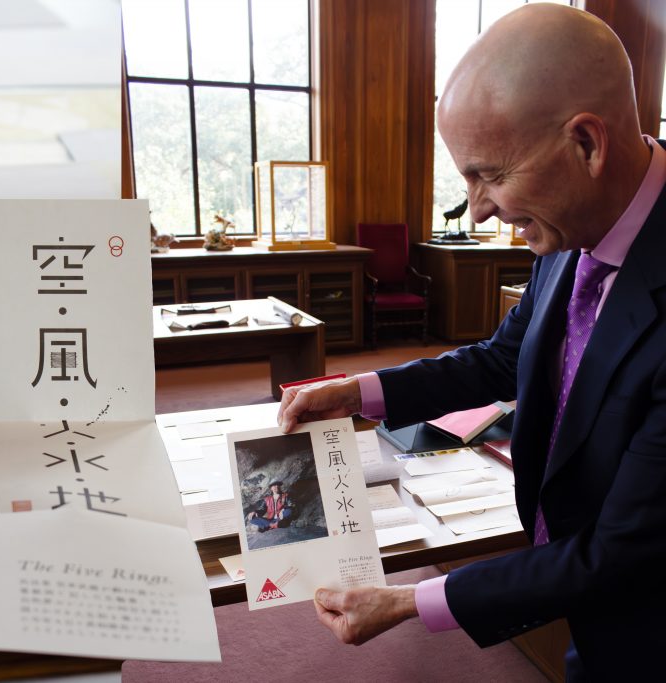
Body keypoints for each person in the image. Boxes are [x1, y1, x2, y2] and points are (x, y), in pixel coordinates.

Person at [277, 4, 666, 679]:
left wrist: (409, 601)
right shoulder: (572, 222)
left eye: (488, 174)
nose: (478, 206)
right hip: (595, 603)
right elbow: (507, 357)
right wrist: (362, 392)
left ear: (587, 144)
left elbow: (615, 552)